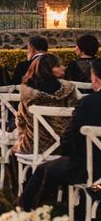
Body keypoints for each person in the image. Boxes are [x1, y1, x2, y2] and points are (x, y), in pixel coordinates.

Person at [20, 58, 101, 211]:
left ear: (95, 79)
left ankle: (24, 212)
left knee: (46, 169)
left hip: (90, 168)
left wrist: (70, 154)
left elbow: (71, 139)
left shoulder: (89, 104)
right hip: (97, 176)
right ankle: (88, 200)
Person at [12, 53, 78, 155]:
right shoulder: (69, 89)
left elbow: (21, 120)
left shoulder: (28, 94)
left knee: (12, 153)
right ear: (48, 70)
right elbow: (74, 117)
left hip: (34, 146)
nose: (63, 67)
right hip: (64, 146)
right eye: (58, 66)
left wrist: (21, 136)